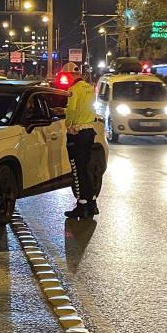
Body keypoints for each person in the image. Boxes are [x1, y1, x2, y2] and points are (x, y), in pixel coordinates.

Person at [63, 63, 99, 220]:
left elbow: (71, 110)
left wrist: (68, 124)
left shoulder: (73, 90)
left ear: (70, 75)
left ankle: (81, 205)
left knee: (77, 170)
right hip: (89, 131)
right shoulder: (89, 87)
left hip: (77, 132)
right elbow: (90, 108)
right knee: (86, 168)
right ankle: (92, 204)